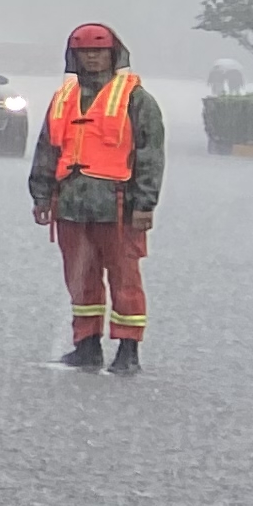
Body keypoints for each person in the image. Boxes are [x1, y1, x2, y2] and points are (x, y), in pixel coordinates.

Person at [30, 20, 161, 372]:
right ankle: (86, 345)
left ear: (113, 54)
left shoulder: (137, 100)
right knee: (80, 278)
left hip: (118, 205)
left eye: (99, 51)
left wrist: (145, 204)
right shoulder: (63, 99)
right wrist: (41, 196)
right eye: (85, 51)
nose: (92, 57)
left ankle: (128, 351)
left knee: (125, 279)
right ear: (74, 56)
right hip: (70, 204)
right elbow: (47, 149)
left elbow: (150, 155)